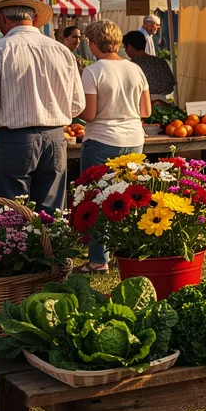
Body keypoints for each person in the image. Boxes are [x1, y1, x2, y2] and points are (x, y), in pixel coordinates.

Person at [0, 0, 83, 214]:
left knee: (9, 215)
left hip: (13, 140)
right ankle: (49, 239)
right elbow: (77, 106)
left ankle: (15, 240)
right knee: (51, 215)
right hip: (54, 137)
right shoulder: (62, 51)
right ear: (33, 18)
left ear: (1, 19)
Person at [78, 20, 152, 272]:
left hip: (102, 139)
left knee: (97, 200)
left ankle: (99, 259)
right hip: (134, 139)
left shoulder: (92, 71)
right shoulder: (136, 69)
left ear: (94, 43)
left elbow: (89, 115)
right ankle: (128, 252)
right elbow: (146, 110)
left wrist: (73, 109)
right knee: (127, 198)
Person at [123, 30, 177, 102]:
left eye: (125, 47)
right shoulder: (161, 62)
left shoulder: (130, 66)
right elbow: (170, 86)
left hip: (140, 104)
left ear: (129, 47)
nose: (125, 51)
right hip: (163, 103)